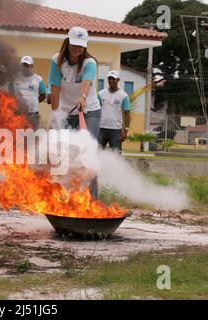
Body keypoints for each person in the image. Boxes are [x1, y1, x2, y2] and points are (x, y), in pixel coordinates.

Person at [49, 26, 101, 199]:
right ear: (68, 42)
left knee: (87, 153)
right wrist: (56, 118)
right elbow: (55, 92)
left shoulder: (89, 63)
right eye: (74, 45)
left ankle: (91, 199)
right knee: (63, 152)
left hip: (89, 111)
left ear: (85, 46)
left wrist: (82, 97)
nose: (77, 49)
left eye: (81, 45)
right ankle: (64, 196)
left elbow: (86, 82)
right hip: (65, 111)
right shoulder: (57, 60)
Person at [98, 70, 131, 152]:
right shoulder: (101, 94)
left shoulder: (124, 96)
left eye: (113, 79)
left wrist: (125, 131)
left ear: (118, 80)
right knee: (97, 154)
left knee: (116, 155)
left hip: (116, 131)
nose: (111, 81)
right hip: (101, 129)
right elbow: (96, 111)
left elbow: (127, 114)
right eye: (109, 78)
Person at [13, 56, 47, 130]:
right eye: (23, 65)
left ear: (32, 66)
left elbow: (43, 95)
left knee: (31, 136)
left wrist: (34, 102)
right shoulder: (15, 78)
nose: (24, 68)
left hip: (33, 113)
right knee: (18, 135)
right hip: (18, 113)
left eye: (27, 65)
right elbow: (10, 93)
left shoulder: (38, 79)